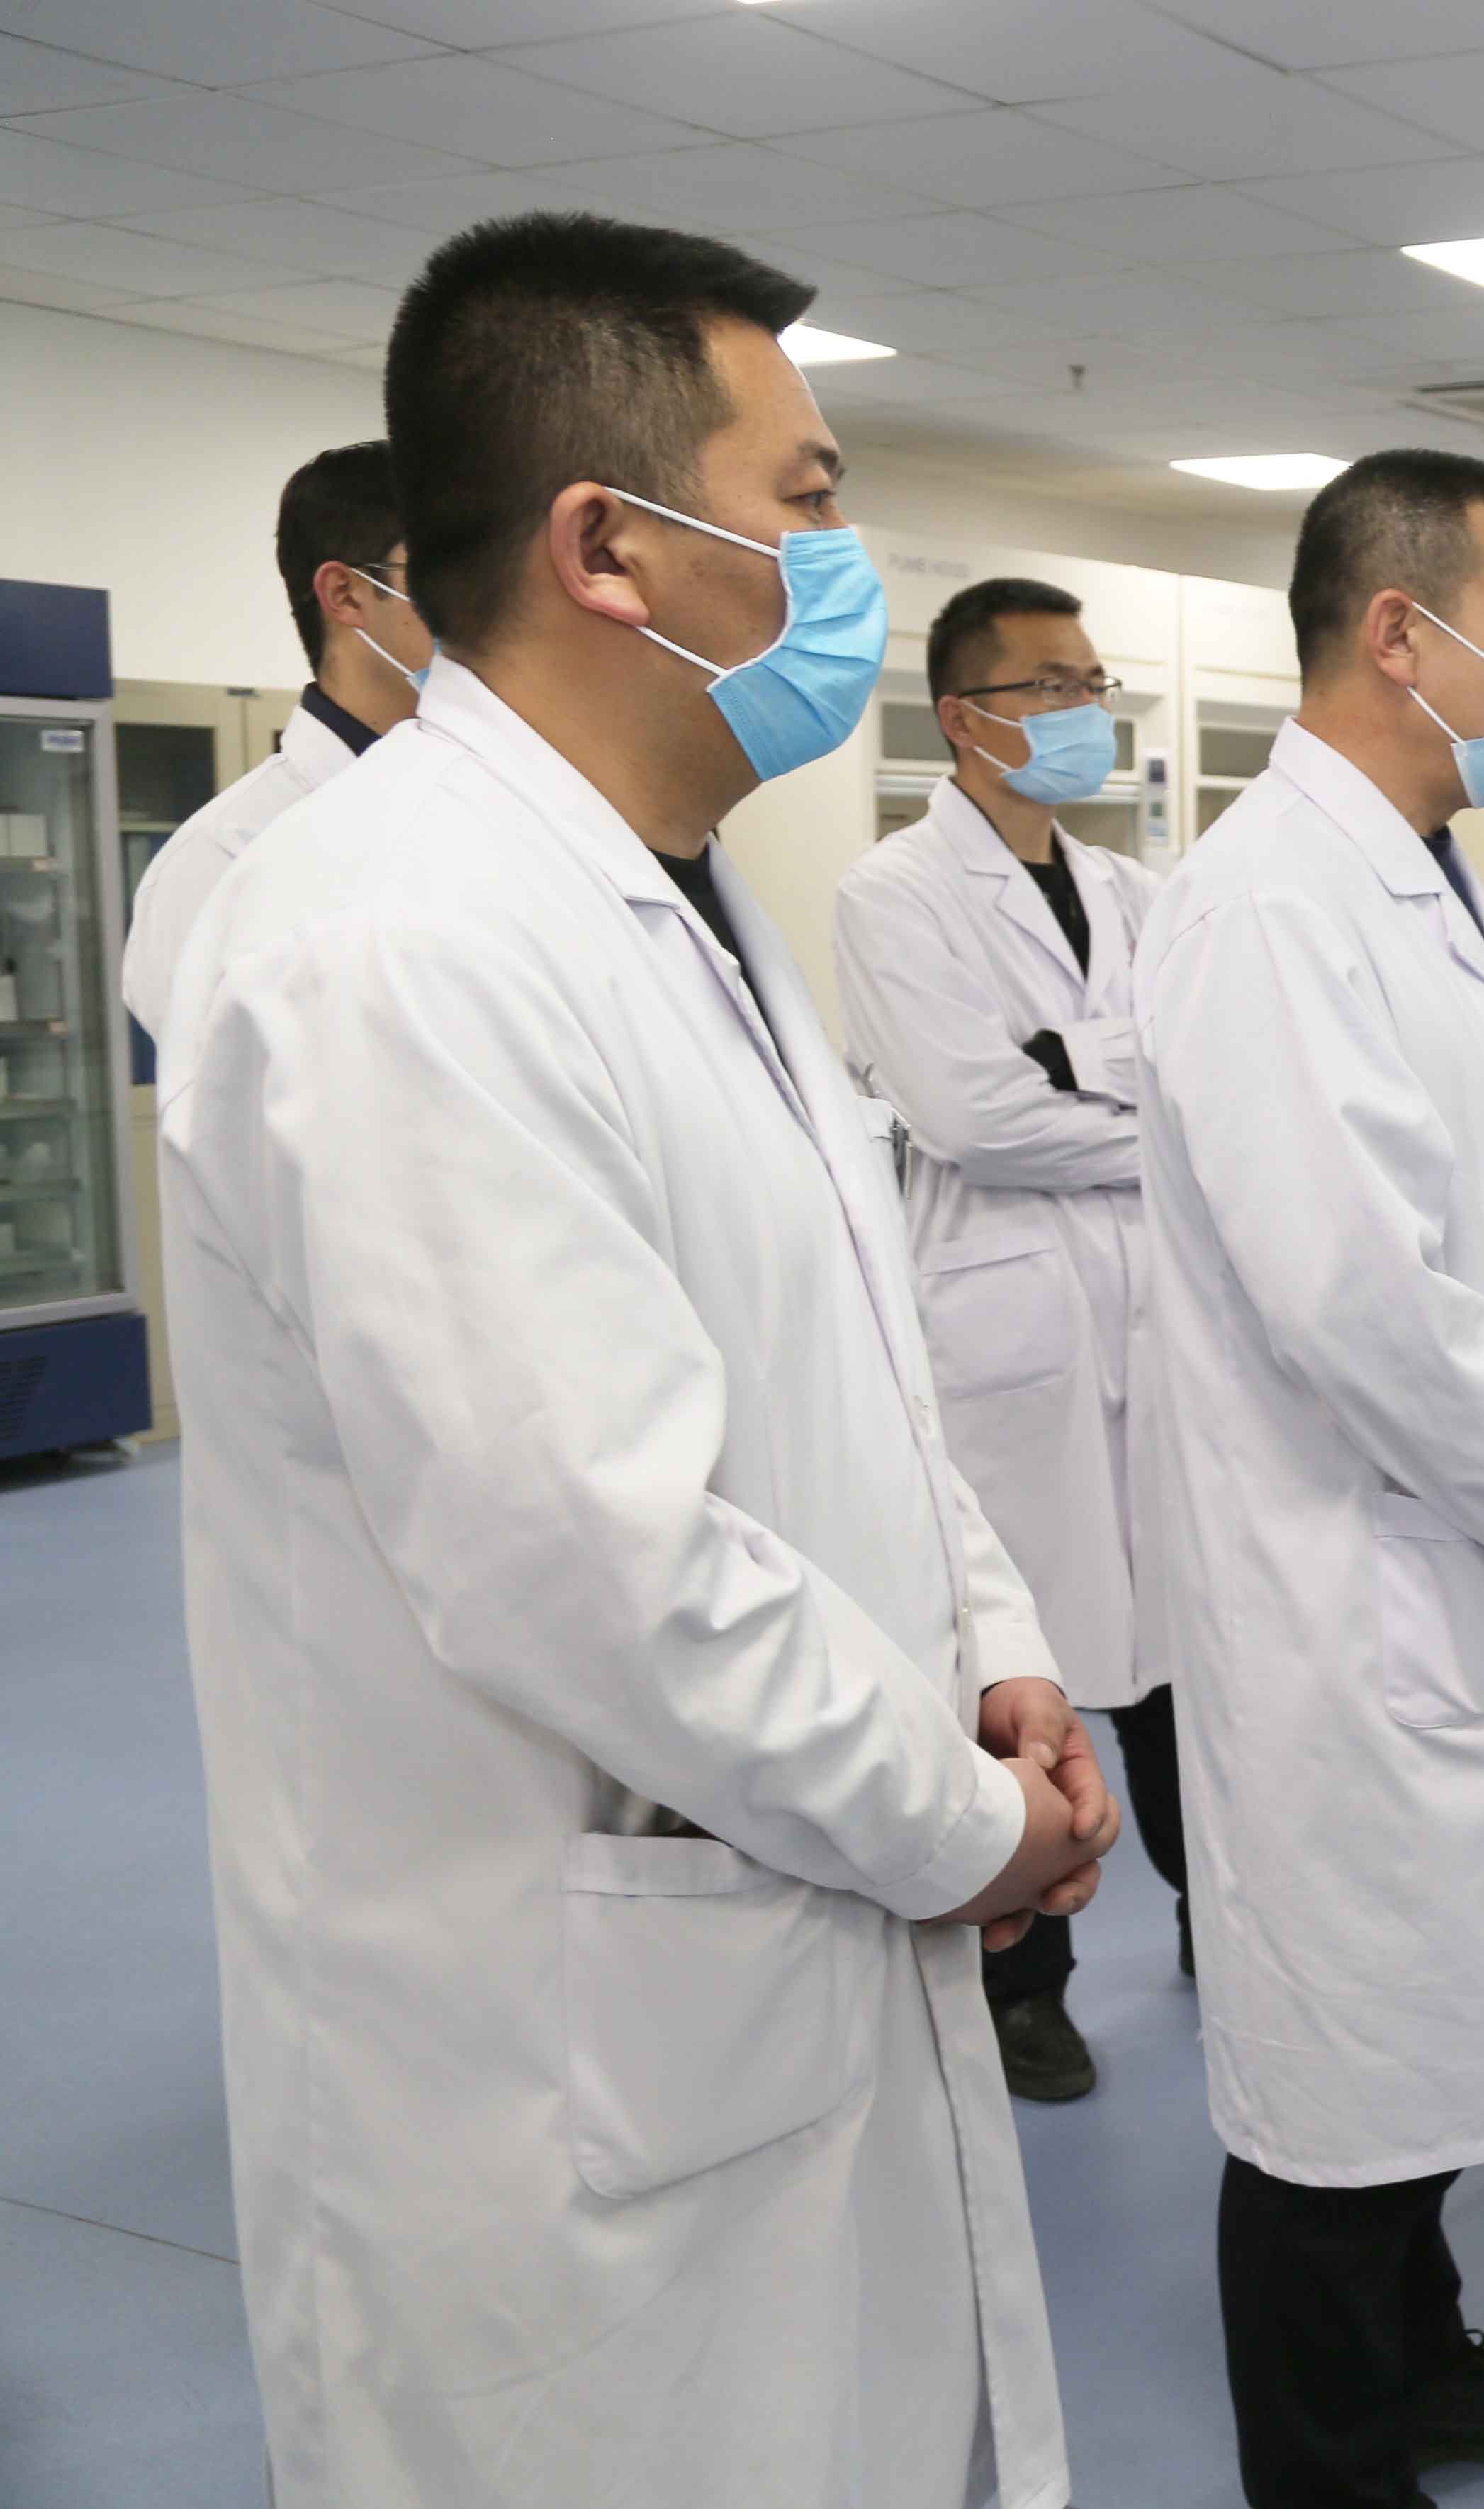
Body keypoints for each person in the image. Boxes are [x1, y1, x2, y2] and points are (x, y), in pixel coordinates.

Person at [158, 211, 1111, 2509]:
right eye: (806, 499)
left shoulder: (677, 895)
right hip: (550, 2057)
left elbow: (857, 1355)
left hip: (780, 1906)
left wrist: (991, 1647)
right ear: (609, 548)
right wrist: (960, 1820)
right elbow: (590, 1557)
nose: (842, 564)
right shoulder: (395, 939)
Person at [1130, 447, 1484, 2508]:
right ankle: (1328, 2467)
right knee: (1339, 2087)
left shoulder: (1428, 877)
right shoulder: (1268, 906)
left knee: (1436, 2038)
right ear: (1399, 629)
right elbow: (1365, 1302)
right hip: (1361, 1602)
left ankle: (1426, 2361)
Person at [836, 575, 1187, 2104]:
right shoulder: (892, 894)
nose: (1080, 711)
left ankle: (1226, 1919)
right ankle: (1023, 1979)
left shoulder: (1136, 894)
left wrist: (1076, 1067)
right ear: (962, 718)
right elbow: (972, 1116)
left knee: (1182, 1656)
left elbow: (1194, 1077)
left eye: (1090, 683)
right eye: (1047, 687)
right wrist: (1139, 1111)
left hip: (1149, 1321)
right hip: (1001, 1328)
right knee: (1014, 1671)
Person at [118, 439, 434, 1049]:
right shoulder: (221, 861)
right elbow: (219, 1088)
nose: (483, 607)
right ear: (345, 594)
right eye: (443, 573)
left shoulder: (499, 806)